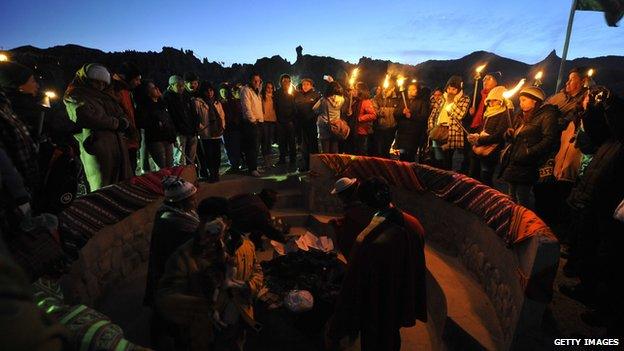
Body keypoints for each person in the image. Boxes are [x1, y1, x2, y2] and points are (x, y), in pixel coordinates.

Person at [326, 176, 426, 351]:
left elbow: (352, 284)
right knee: (392, 337)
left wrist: (336, 329)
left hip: (375, 306)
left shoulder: (368, 239)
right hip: (402, 296)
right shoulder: (414, 224)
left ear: (364, 204)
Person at [156, 198, 263, 351]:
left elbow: (256, 270)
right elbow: (165, 298)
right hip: (205, 333)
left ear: (228, 223)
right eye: (203, 219)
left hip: (238, 323)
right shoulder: (184, 256)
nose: (207, 225)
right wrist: (203, 307)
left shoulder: (245, 246)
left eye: (213, 220)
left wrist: (248, 287)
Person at [64, 63, 132, 191]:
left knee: (121, 184)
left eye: (103, 83)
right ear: (86, 80)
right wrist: (117, 123)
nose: (100, 86)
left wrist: (124, 121)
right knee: (101, 185)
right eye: (96, 82)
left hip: (117, 146)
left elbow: (122, 113)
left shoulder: (106, 96)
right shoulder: (75, 94)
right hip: (97, 146)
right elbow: (86, 116)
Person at [500, 86, 559, 208]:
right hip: (514, 160)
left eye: (524, 100)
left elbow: (549, 139)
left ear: (535, 101)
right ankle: (511, 218)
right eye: (520, 100)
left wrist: (530, 151)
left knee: (522, 197)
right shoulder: (521, 116)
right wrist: (509, 134)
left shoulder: (547, 115)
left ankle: (522, 221)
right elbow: (515, 138)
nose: (520, 103)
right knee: (511, 196)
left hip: (528, 163)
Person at [0, 63, 41, 193]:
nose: (37, 85)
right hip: (16, 191)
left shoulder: (8, 107)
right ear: (19, 85)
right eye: (33, 81)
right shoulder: (13, 109)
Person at [467, 86, 510, 186]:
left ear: (501, 100)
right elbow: (483, 128)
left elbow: (499, 135)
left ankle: (487, 199)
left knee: (485, 177)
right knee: (473, 174)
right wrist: (475, 135)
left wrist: (480, 140)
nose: (491, 103)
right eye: (489, 100)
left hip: (491, 150)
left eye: (494, 100)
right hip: (479, 148)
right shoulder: (488, 112)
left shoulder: (505, 113)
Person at [428, 75, 471, 170]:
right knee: (437, 158)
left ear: (459, 89)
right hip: (437, 130)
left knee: (447, 159)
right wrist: (431, 128)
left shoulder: (464, 99)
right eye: (449, 88)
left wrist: (452, 102)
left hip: (451, 131)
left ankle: (447, 179)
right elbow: (433, 114)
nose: (450, 91)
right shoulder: (442, 98)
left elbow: (460, 115)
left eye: (454, 89)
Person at [135, 80, 177, 169]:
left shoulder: (162, 104)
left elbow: (169, 120)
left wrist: (173, 135)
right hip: (156, 139)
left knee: (170, 166)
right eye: (154, 88)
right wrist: (157, 123)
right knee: (162, 168)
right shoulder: (144, 106)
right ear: (148, 93)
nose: (157, 89)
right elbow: (142, 122)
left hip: (167, 138)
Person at [328, 177, 374, 258]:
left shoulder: (357, 208)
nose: (339, 198)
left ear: (344, 195)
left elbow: (347, 240)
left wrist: (336, 227)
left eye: (340, 195)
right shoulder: (358, 203)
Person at [467, 72, 501, 178]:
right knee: (472, 163)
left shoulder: (499, 98)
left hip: (488, 135)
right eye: (484, 79)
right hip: (475, 129)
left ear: (496, 82)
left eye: (489, 78)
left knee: (485, 173)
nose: (485, 81)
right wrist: (470, 113)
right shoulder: (476, 94)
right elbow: (467, 115)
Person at [110, 62, 142, 174]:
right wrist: (129, 131)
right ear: (127, 77)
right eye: (137, 79)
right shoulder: (115, 90)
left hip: (130, 139)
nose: (139, 83)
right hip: (123, 141)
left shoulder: (126, 90)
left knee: (131, 172)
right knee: (126, 174)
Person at [194, 81, 226, 182]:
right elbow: (196, 116)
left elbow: (222, 116)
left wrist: (222, 126)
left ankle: (216, 173)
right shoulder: (198, 102)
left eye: (211, 90)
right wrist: (201, 128)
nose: (209, 93)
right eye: (207, 91)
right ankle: (211, 174)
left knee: (217, 154)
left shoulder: (217, 102)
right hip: (206, 134)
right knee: (208, 155)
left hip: (217, 133)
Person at [164, 75, 198, 166]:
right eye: (178, 85)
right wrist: (175, 131)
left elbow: (192, 112)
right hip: (179, 131)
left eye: (182, 85)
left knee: (191, 156)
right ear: (171, 86)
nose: (181, 88)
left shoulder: (186, 96)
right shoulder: (167, 98)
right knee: (180, 157)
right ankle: (181, 176)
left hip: (190, 129)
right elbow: (170, 117)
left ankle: (191, 175)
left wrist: (195, 126)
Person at [393, 81, 430, 162]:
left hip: (414, 135)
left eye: (415, 89)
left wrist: (412, 116)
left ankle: (410, 172)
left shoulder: (422, 102)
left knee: (410, 156)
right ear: (408, 91)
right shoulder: (402, 100)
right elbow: (395, 114)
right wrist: (402, 112)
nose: (415, 91)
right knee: (402, 155)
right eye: (412, 89)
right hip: (402, 134)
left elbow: (424, 117)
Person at [240, 72, 264, 177]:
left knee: (256, 146)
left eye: (258, 81)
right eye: (255, 80)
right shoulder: (246, 90)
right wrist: (252, 120)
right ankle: (252, 169)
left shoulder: (257, 91)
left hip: (259, 121)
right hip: (251, 123)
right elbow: (246, 107)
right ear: (250, 80)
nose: (256, 82)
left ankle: (255, 166)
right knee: (251, 147)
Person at [294, 78, 321, 171]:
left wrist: (311, 117)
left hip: (311, 124)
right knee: (303, 146)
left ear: (311, 85)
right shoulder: (298, 95)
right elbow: (295, 107)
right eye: (303, 84)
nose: (305, 86)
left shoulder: (316, 95)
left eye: (307, 84)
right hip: (301, 125)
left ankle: (315, 166)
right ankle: (305, 165)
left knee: (313, 145)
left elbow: (318, 110)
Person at [314, 81, 346, 154]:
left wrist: (321, 111)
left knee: (325, 150)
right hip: (336, 125)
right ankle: (334, 163)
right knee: (334, 147)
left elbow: (314, 109)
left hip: (324, 125)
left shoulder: (323, 99)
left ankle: (325, 164)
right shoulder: (342, 99)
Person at [274, 74, 298, 166]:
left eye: (288, 81)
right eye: (284, 81)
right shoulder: (276, 94)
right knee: (282, 141)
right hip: (280, 121)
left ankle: (293, 159)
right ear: (281, 82)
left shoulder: (292, 94)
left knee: (291, 141)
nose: (286, 83)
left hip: (290, 121)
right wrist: (277, 119)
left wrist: (292, 119)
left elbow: (295, 107)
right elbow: (275, 107)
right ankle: (282, 159)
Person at [221, 83, 244, 173]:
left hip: (234, 128)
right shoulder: (219, 103)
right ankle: (232, 164)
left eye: (225, 91)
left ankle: (236, 165)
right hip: (225, 129)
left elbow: (237, 114)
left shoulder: (233, 102)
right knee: (228, 147)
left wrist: (235, 122)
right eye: (222, 91)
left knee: (235, 147)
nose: (223, 93)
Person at [372, 83, 399, 158]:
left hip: (391, 128)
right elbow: (374, 110)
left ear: (393, 88)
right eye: (385, 89)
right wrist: (380, 112)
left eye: (389, 89)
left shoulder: (396, 99)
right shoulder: (377, 98)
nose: (386, 91)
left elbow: (398, 111)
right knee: (379, 149)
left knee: (387, 148)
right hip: (380, 127)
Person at [350, 82, 376, 156]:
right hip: (354, 130)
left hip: (361, 131)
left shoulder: (366, 102)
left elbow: (373, 115)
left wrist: (360, 118)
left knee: (361, 152)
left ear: (361, 91)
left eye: (356, 89)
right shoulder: (355, 101)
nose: (354, 90)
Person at [261, 81, 277, 169]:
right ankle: (265, 161)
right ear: (265, 88)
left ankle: (269, 161)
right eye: (268, 87)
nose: (270, 89)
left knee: (269, 141)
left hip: (272, 120)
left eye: (271, 88)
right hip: (264, 120)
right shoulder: (262, 96)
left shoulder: (275, 97)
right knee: (265, 141)